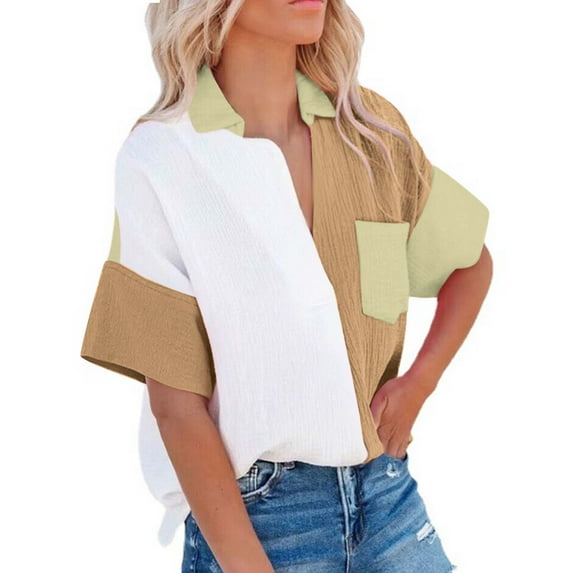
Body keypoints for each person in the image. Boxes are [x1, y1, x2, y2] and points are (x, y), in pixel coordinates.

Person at [80, 0, 492, 571]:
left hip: (387, 497)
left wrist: (420, 383)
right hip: (257, 517)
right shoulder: (164, 156)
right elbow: (177, 408)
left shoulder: (370, 131)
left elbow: (471, 264)